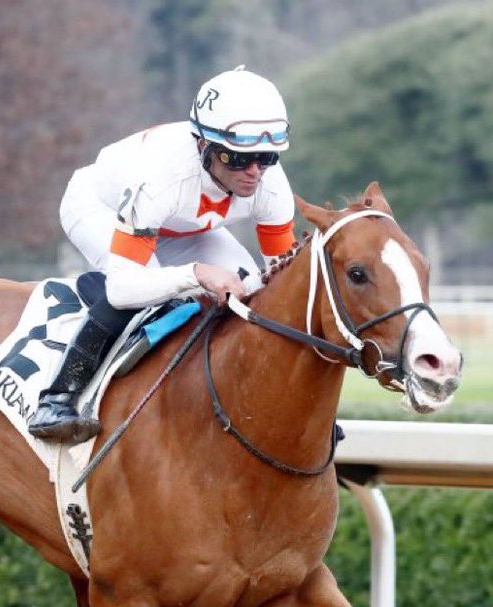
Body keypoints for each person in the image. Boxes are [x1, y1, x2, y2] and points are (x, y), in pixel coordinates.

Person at [27, 65, 297, 444]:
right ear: (204, 147)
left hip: (181, 227)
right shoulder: (161, 178)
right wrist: (196, 274)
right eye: (238, 158)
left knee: (254, 289)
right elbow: (123, 289)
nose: (254, 172)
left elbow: (284, 280)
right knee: (143, 294)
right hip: (102, 209)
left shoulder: (272, 186)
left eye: (267, 156)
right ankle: (57, 399)